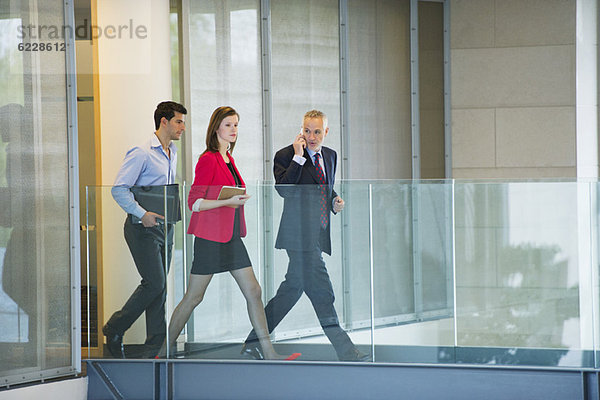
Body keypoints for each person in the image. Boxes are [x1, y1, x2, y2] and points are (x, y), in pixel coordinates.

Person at [159, 106, 299, 360]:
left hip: (232, 237)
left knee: (254, 291)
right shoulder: (208, 159)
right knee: (194, 297)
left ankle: (268, 352)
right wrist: (227, 202)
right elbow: (194, 202)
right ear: (216, 128)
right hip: (210, 239)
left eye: (236, 125)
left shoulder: (229, 159)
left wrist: (235, 198)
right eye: (228, 125)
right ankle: (163, 350)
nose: (234, 130)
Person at [242, 109, 369, 362]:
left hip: (317, 235)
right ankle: (346, 351)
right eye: (307, 131)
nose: (312, 137)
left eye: (317, 131)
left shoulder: (330, 156)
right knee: (323, 293)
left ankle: (252, 343)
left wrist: (335, 201)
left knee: (291, 291)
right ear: (301, 130)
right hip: (297, 236)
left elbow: (325, 186)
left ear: (326, 132)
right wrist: (299, 159)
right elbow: (284, 191)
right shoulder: (286, 156)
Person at [103, 101, 187, 358]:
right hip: (142, 228)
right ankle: (115, 327)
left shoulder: (171, 152)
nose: (183, 127)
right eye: (179, 121)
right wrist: (142, 214)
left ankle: (156, 344)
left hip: (166, 228)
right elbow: (119, 189)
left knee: (159, 288)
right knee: (154, 283)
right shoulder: (141, 152)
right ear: (164, 121)